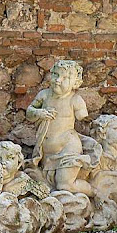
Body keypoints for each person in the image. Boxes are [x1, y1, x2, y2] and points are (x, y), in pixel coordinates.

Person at [26, 60, 96, 196]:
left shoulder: (75, 100)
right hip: (46, 151)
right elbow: (29, 112)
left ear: (75, 83)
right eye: (55, 75)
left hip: (67, 149)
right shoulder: (44, 95)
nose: (58, 80)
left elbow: (86, 121)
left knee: (65, 185)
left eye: (65, 78)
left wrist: (87, 121)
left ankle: (94, 192)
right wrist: (38, 112)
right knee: (52, 185)